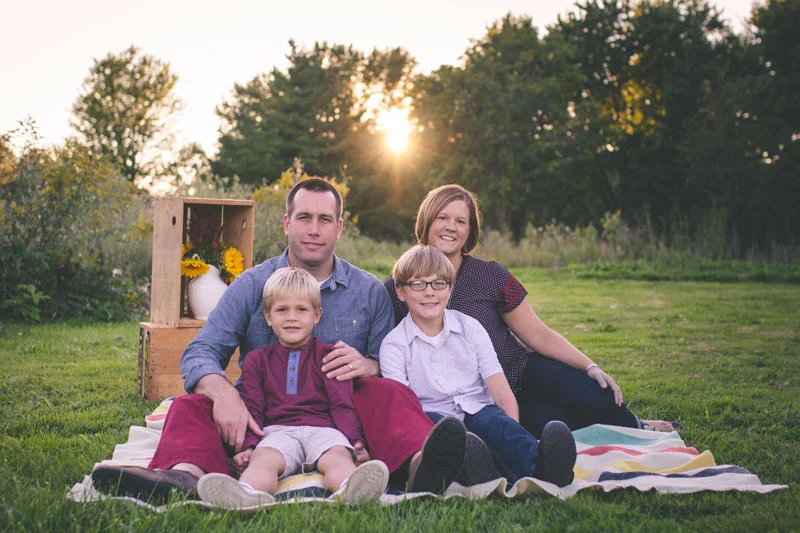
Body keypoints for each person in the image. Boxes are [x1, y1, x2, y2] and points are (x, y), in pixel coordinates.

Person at [92, 178, 471, 504]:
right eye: (304, 218)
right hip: (262, 412)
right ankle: (183, 475)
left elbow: (391, 357)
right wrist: (223, 394)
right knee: (190, 404)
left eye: (324, 220)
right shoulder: (252, 284)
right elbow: (201, 351)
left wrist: (369, 364)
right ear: (287, 223)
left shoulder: (368, 290)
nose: (314, 230)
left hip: (340, 411)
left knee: (390, 392)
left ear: (339, 228)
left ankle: (419, 466)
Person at [384, 184, 681, 438]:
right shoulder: (402, 286)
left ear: (469, 231)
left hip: (519, 370)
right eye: (442, 217)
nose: (451, 227)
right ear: (427, 221)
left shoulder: (489, 276)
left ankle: (637, 426)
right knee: (555, 425)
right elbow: (388, 347)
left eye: (461, 221)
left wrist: (589, 366)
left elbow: (537, 334)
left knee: (596, 393)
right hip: (480, 399)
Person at [380, 245, 576, 487]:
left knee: (499, 428)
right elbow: (403, 409)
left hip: (477, 406)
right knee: (451, 437)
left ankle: (545, 469)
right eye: (418, 284)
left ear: (450, 288)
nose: (429, 292)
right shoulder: (394, 345)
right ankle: (480, 472)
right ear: (401, 292)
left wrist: (511, 428)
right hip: (432, 417)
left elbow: (501, 392)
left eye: (438, 283)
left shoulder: (470, 328)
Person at [197, 267, 390, 508]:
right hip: (277, 431)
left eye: (301, 309)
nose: (291, 317)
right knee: (263, 460)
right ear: (268, 317)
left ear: (316, 315)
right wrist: (248, 446)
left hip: (323, 429)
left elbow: (342, 405)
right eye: (281, 310)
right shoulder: (257, 361)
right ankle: (245, 494)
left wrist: (356, 443)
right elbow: (253, 407)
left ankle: (351, 489)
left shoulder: (329, 356)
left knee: (338, 457)